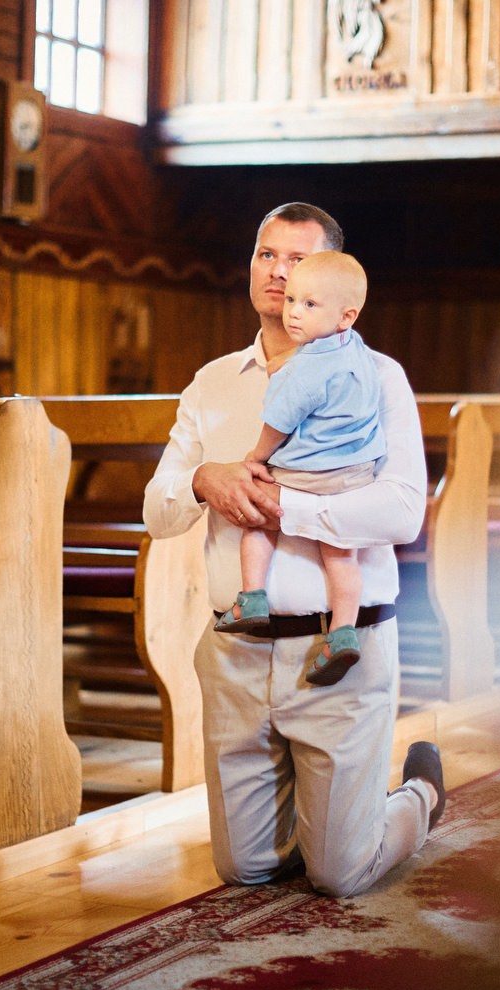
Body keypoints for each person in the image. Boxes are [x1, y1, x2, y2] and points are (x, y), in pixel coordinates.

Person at [144, 202, 446, 898]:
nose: (279, 273)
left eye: (299, 260)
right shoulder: (213, 383)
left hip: (337, 654)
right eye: (266, 254)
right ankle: (323, 820)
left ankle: (420, 795)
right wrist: (203, 478)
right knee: (244, 868)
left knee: (341, 872)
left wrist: (291, 507)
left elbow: (404, 512)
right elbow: (157, 511)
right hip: (238, 655)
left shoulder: (379, 376)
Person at [215, 250, 384, 688]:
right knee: (341, 556)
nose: (293, 312)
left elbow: (278, 424)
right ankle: (342, 632)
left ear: (345, 316)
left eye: (309, 305)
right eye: (291, 300)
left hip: (310, 474)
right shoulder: (356, 349)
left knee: (258, 516)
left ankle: (252, 597)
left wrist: (256, 457)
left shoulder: (304, 369)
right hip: (356, 471)